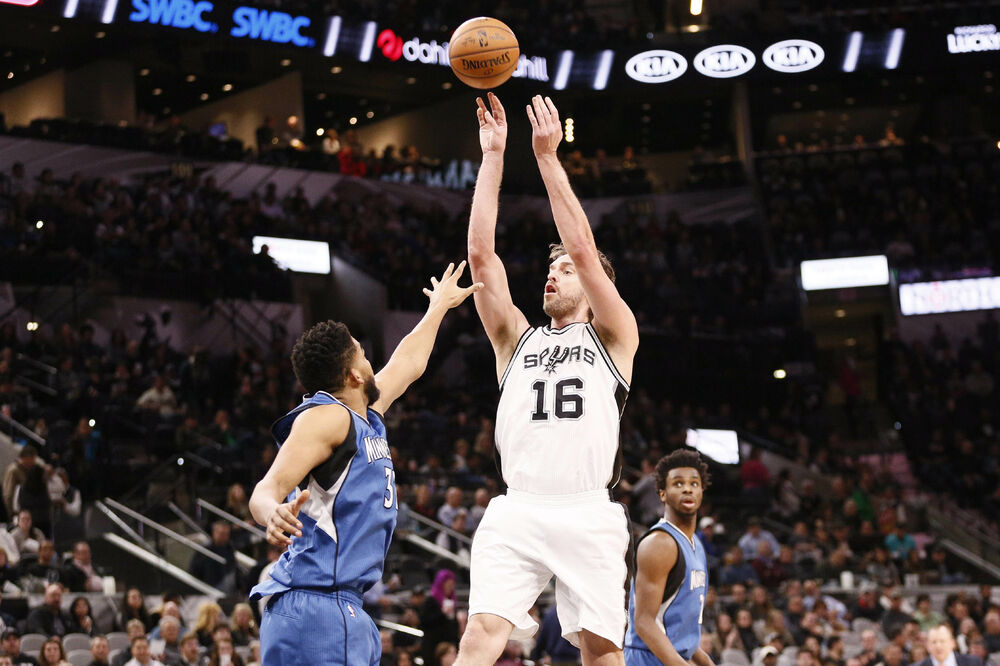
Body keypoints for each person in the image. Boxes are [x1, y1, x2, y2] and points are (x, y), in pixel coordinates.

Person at [457, 92, 639, 666]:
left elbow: (584, 249)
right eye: (549, 268)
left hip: (588, 510)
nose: (552, 276)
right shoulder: (516, 339)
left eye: (564, 271)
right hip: (519, 508)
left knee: (602, 652)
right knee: (479, 636)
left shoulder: (615, 335)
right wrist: (493, 156)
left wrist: (546, 157)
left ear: (595, 287)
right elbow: (481, 258)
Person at [248, 262, 481, 666]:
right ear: (354, 375)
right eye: (362, 352)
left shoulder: (363, 414)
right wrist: (272, 512)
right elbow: (265, 490)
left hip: (340, 606)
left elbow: (408, 363)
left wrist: (438, 308)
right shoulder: (327, 417)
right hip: (317, 606)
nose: (370, 358)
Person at [625, 450, 713, 666]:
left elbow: (681, 632)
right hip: (646, 659)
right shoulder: (660, 543)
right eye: (678, 483)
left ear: (701, 491)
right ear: (663, 493)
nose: (687, 489)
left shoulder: (696, 544)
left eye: (694, 483)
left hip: (671, 658)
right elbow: (644, 622)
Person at [188, 521, 238, 593]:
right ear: (214, 533)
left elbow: (232, 567)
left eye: (226, 534)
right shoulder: (205, 549)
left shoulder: (229, 548)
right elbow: (194, 569)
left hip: (226, 583)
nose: (224, 537)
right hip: (209, 585)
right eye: (222, 534)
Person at [914, 625, 983, 666]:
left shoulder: (973, 662)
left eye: (942, 641)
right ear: (927, 646)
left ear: (952, 643)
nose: (938, 646)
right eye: (934, 642)